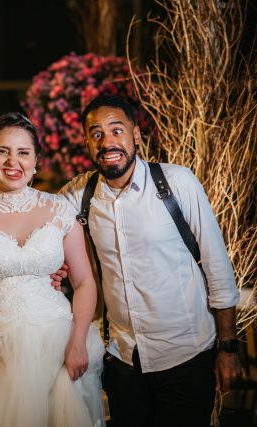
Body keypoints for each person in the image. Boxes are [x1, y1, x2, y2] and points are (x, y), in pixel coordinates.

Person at [60, 94, 242, 427]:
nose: (107, 142)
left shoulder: (177, 182)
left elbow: (217, 266)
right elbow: (37, 221)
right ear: (87, 143)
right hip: (122, 358)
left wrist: (228, 348)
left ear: (136, 135)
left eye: (116, 130)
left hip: (186, 354)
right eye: (96, 134)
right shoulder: (78, 195)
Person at [0, 112, 105, 427]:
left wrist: (78, 341)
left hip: (58, 346)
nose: (13, 161)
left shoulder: (60, 210)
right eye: (2, 151)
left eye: (23, 152)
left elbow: (84, 282)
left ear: (36, 160)